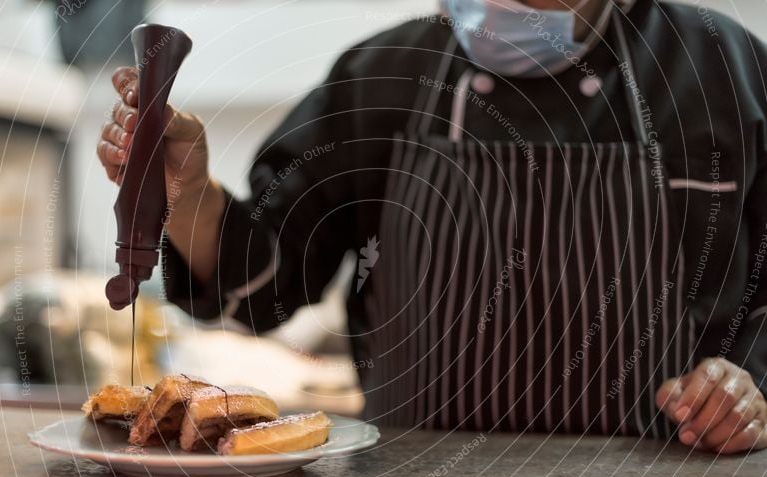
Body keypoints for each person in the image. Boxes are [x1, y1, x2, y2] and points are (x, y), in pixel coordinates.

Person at [97, 0, 767, 453]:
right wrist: (185, 196)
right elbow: (262, 276)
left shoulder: (722, 68)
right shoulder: (384, 75)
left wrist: (751, 386)